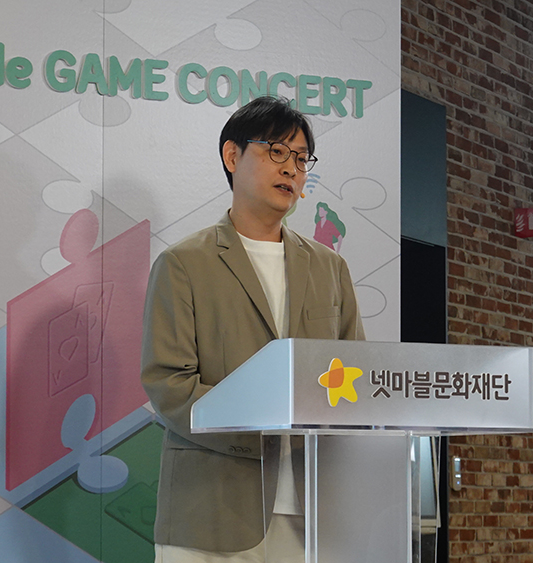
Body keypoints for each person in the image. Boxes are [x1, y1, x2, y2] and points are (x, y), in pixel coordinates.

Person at [141, 96, 365, 562]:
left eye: (301, 158)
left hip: (311, 511)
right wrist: (263, 432)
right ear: (232, 155)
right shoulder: (183, 263)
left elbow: (355, 376)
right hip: (210, 510)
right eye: (276, 151)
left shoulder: (330, 268)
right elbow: (169, 385)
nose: (291, 169)